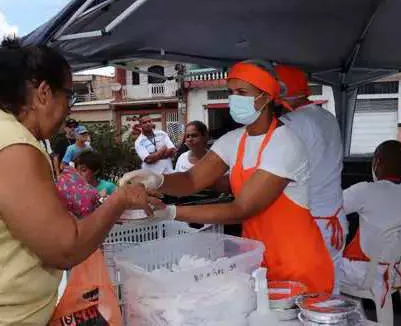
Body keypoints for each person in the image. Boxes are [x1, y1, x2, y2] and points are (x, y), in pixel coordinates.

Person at [0, 36, 161, 326]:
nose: (70, 109)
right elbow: (65, 248)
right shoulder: (12, 148)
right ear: (44, 93)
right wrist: (120, 199)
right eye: (69, 96)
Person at [122, 60, 334, 293]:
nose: (234, 99)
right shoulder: (234, 140)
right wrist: (157, 180)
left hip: (297, 264)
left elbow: (242, 209)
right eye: (231, 92)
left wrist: (170, 213)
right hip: (258, 260)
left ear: (265, 97)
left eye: (242, 92)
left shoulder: (285, 144)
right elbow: (192, 180)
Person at [276, 64, 347, 292]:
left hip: (311, 226)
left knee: (308, 294)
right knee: (331, 289)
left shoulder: (290, 124)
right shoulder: (327, 117)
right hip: (335, 221)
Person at [340, 140, 401, 302]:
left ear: (377, 162)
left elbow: (332, 207)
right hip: (398, 274)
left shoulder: (366, 190)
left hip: (369, 275)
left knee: (326, 262)